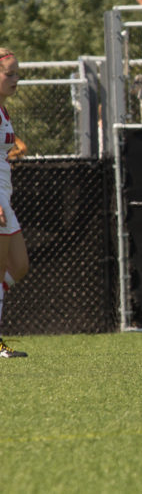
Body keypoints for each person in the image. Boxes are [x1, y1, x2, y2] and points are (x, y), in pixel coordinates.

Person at [0, 49, 29, 358]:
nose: (15, 79)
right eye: (9, 73)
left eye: (17, 73)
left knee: (18, 266)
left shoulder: (3, 110)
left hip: (4, 196)